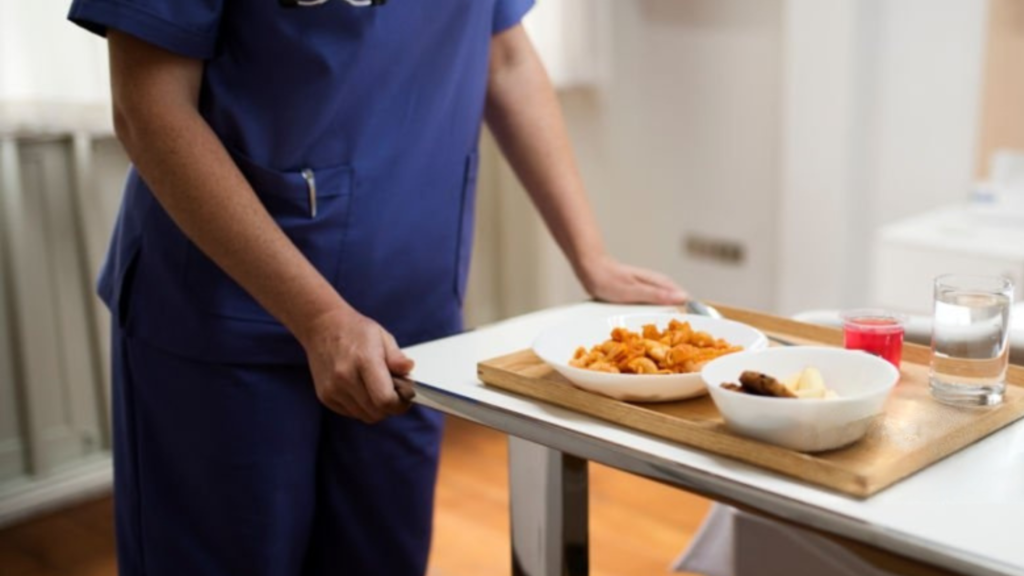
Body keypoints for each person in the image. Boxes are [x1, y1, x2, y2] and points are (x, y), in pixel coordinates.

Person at [68, 1, 689, 574]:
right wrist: (318, 317)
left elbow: (504, 53)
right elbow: (149, 107)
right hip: (228, 315)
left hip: (409, 322)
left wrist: (591, 255)